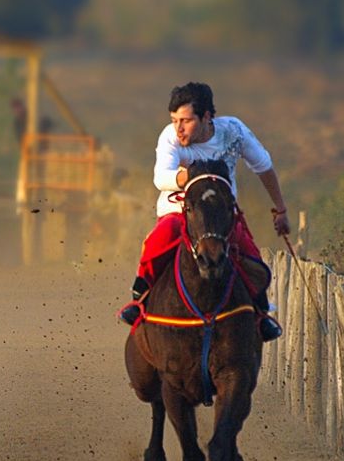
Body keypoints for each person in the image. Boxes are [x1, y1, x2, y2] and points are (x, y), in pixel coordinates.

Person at [120, 82, 289, 341]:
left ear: (207, 117)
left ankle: (260, 313)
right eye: (174, 120)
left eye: (186, 121)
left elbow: (263, 166)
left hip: (222, 216)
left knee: (251, 257)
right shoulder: (169, 137)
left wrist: (280, 209)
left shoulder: (234, 131)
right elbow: (160, 178)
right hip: (180, 211)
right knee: (159, 240)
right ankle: (138, 300)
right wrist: (193, 174)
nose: (178, 128)